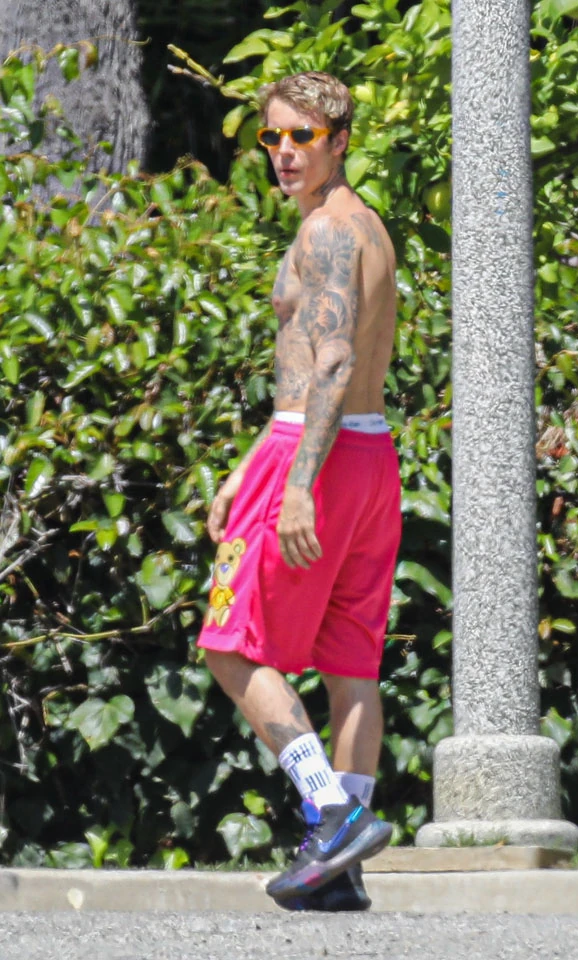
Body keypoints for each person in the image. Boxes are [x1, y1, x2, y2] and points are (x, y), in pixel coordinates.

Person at [197, 71, 401, 911]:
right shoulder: (369, 226)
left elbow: (331, 362)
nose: (284, 152)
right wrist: (249, 465)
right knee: (351, 663)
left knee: (229, 642)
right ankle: (340, 868)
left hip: (315, 456)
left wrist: (295, 484)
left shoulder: (324, 232)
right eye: (272, 137)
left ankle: (331, 813)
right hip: (370, 454)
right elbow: (322, 373)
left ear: (340, 141)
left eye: (302, 137)